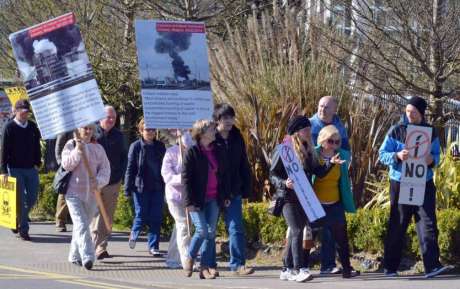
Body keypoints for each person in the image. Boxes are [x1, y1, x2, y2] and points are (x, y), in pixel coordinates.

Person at [379, 96, 450, 278]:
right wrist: (396, 155)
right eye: (408, 111)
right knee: (398, 224)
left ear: (422, 113)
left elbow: (437, 155)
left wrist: (431, 159)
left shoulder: (430, 131)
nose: (410, 115)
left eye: (414, 112)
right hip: (400, 181)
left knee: (427, 223)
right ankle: (390, 267)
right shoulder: (396, 130)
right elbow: (382, 154)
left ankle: (432, 266)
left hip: (423, 182)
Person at [270, 115, 343, 282]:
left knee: (297, 230)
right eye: (305, 130)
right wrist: (284, 183)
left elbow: (319, 172)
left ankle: (286, 268)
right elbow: (272, 174)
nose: (309, 133)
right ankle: (298, 269)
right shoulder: (283, 149)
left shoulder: (308, 148)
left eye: (310, 129)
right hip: (288, 197)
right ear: (296, 132)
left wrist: (331, 163)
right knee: (296, 230)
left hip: (304, 197)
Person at [182, 119, 231, 279]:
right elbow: (186, 179)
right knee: (202, 230)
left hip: (214, 198)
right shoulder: (192, 152)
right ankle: (190, 257)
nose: (215, 131)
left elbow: (222, 175)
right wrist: (188, 202)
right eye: (211, 129)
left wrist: (225, 196)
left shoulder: (217, 150)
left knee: (210, 234)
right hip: (197, 200)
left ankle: (204, 267)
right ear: (202, 133)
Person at [310, 125, 359, 278]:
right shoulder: (313, 155)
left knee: (341, 238)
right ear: (322, 140)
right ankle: (299, 267)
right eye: (331, 141)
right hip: (316, 203)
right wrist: (330, 163)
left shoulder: (342, 155)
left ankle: (347, 268)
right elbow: (320, 175)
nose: (334, 145)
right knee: (308, 236)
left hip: (335, 203)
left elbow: (343, 180)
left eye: (337, 142)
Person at [309, 95, 350, 274]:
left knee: (333, 230)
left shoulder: (340, 126)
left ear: (334, 109)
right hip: (313, 188)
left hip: (333, 188)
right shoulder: (310, 125)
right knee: (307, 231)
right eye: (320, 106)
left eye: (326, 107)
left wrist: (345, 163)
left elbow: (346, 149)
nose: (322, 109)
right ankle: (296, 265)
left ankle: (330, 265)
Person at [212, 103, 254, 275]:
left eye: (231, 117)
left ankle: (237, 264)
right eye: (225, 118)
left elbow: (244, 163)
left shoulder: (237, 137)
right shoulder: (211, 137)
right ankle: (208, 264)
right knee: (209, 229)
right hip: (214, 191)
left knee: (236, 227)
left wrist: (246, 188)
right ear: (217, 120)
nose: (229, 121)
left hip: (234, 190)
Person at [61, 124, 110, 270]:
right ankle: (88, 256)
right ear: (78, 130)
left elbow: (106, 170)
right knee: (82, 225)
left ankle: (74, 255)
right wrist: (78, 150)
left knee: (80, 226)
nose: (88, 131)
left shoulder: (98, 148)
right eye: (84, 128)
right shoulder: (70, 144)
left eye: (90, 129)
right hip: (73, 193)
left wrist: (99, 181)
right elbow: (67, 165)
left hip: (92, 195)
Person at [0, 99, 41, 241]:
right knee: (22, 201)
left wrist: (38, 162)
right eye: (22, 111)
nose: (24, 114)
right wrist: (3, 171)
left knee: (32, 197)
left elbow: (37, 146)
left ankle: (17, 218)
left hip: (31, 168)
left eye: (26, 112)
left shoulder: (33, 127)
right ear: (15, 111)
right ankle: (24, 230)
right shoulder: (9, 127)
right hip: (14, 168)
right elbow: (3, 150)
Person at [91, 105, 128, 260]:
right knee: (95, 215)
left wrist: (119, 177)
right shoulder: (91, 133)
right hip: (95, 182)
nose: (112, 120)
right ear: (100, 118)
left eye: (114, 117)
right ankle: (91, 246)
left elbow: (124, 158)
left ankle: (101, 247)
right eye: (108, 117)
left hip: (112, 182)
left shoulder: (119, 136)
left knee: (108, 216)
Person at [125, 118, 166, 256]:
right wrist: (127, 188)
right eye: (148, 129)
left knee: (156, 217)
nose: (151, 132)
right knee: (141, 213)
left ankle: (153, 246)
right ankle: (134, 234)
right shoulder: (135, 146)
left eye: (153, 129)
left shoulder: (160, 146)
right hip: (140, 187)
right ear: (141, 130)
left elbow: (165, 167)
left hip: (157, 186)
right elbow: (130, 168)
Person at [161, 130, 194, 268]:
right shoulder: (171, 152)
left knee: (180, 227)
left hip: (190, 196)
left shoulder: (195, 152)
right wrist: (182, 178)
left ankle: (173, 258)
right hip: (175, 196)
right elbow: (166, 175)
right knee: (183, 225)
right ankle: (187, 259)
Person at [54, 131, 74, 232]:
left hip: (83, 163)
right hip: (67, 164)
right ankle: (60, 220)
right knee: (64, 192)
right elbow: (59, 144)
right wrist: (60, 162)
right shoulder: (67, 127)